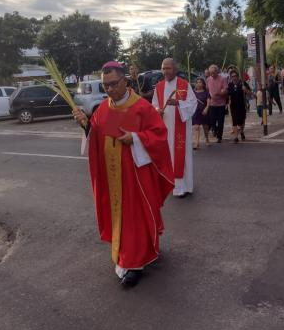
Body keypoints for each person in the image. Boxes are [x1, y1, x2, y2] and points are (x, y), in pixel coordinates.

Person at [73, 61, 174, 288]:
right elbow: (97, 139)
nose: (109, 89)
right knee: (121, 217)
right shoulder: (101, 110)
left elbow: (159, 135)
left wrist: (136, 139)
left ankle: (134, 264)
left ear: (125, 81)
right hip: (113, 178)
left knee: (135, 216)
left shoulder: (142, 108)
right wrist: (86, 126)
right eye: (105, 85)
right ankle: (128, 255)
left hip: (137, 177)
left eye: (113, 84)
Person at [152, 58, 197, 198]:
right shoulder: (159, 86)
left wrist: (178, 103)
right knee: (167, 157)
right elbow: (153, 105)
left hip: (180, 128)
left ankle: (183, 187)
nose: (165, 71)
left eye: (168, 68)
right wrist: (157, 110)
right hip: (165, 127)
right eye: (163, 68)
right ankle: (168, 185)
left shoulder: (184, 85)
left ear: (175, 69)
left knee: (180, 157)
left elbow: (193, 103)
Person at [206, 64, 229, 143]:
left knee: (220, 121)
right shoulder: (208, 79)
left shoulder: (223, 79)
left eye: (213, 72)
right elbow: (207, 90)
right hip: (212, 104)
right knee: (212, 120)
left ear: (217, 71)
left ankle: (219, 137)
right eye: (210, 73)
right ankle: (214, 129)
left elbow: (225, 90)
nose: (212, 74)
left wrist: (219, 93)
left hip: (221, 104)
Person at [227, 70, 252, 143]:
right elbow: (228, 95)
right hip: (233, 106)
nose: (234, 78)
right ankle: (236, 137)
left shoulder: (242, 83)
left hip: (242, 105)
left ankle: (241, 131)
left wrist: (245, 90)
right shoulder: (230, 85)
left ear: (238, 76)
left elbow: (250, 93)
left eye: (235, 76)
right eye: (232, 76)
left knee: (241, 121)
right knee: (235, 121)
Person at [192, 77, 211, 149]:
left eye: (200, 82)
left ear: (203, 84)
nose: (198, 83)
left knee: (205, 127)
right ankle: (196, 143)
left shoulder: (206, 92)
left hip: (204, 112)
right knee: (196, 127)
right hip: (196, 112)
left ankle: (206, 138)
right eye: (197, 82)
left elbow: (208, 102)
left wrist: (206, 108)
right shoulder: (193, 93)